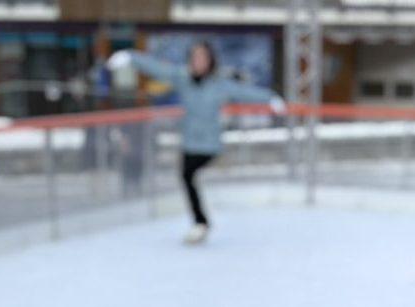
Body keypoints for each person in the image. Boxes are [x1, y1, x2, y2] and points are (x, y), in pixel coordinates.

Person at [107, 40, 284, 243]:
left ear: (210, 61)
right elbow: (157, 69)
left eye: (203, 57)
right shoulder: (182, 77)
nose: (199, 61)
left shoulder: (218, 84)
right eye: (195, 56)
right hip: (190, 144)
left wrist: (270, 99)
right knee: (187, 176)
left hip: (210, 146)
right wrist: (130, 57)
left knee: (190, 175)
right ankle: (200, 222)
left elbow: (243, 92)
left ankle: (201, 221)